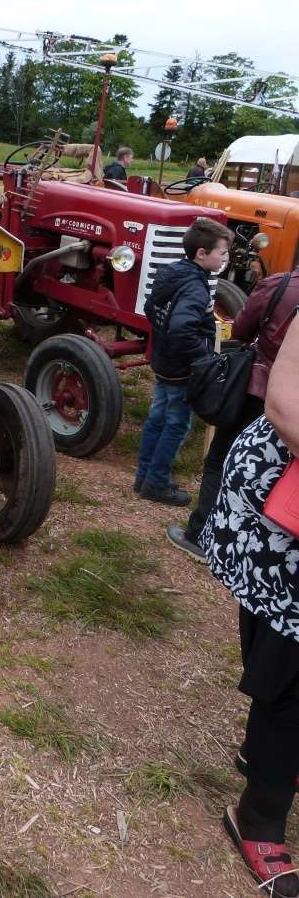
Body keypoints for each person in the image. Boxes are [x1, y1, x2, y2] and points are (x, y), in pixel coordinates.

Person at [201, 313, 299, 896]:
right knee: (287, 663)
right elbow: (284, 405)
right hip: (282, 496)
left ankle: (263, 751)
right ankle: (258, 815)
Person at [167, 266, 299, 559]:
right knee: (280, 475)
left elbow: (240, 329)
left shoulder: (280, 284)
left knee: (221, 460)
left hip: (260, 390)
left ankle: (201, 536)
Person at [134, 217, 232, 505]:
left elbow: (151, 307)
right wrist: (203, 360)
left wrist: (162, 338)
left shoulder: (171, 272)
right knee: (177, 424)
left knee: (156, 418)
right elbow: (181, 329)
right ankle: (157, 482)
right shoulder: (196, 288)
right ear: (202, 254)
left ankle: (143, 476)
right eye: (222, 253)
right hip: (181, 369)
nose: (225, 258)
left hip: (164, 361)